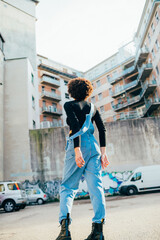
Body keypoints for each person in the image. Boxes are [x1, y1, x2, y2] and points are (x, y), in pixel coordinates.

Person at [56, 77, 109, 240]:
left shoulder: (69, 105)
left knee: (68, 187)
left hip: (76, 147)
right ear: (88, 91)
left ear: (72, 91)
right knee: (96, 188)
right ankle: (98, 231)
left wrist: (77, 150)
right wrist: (104, 153)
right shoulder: (93, 107)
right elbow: (102, 129)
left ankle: (65, 231)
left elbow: (75, 126)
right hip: (94, 148)